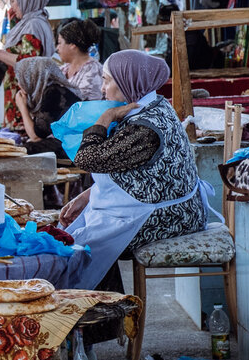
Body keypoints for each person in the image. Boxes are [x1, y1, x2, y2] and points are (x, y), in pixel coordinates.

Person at [60, 50, 210, 290]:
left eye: (107, 81)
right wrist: (88, 196)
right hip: (168, 205)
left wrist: (106, 117)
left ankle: (105, 309)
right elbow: (138, 174)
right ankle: (107, 306)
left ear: (127, 83)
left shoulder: (145, 128)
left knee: (81, 249)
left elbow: (87, 158)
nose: (102, 89)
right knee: (72, 236)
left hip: (172, 217)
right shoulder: (153, 104)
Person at [0, 0, 56, 130]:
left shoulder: (33, 25)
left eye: (14, 1)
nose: (12, 6)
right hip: (20, 96)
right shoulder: (30, 23)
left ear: (27, 0)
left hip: (25, 99)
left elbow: (29, 61)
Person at [13, 56, 81, 158]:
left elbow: (36, 136)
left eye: (22, 79)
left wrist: (23, 107)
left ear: (33, 78)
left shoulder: (53, 94)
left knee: (23, 150)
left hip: (74, 148)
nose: (19, 84)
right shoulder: (49, 90)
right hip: (72, 143)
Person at [55, 18, 104, 100]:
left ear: (72, 45)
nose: (57, 48)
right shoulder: (64, 69)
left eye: (60, 43)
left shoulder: (93, 71)